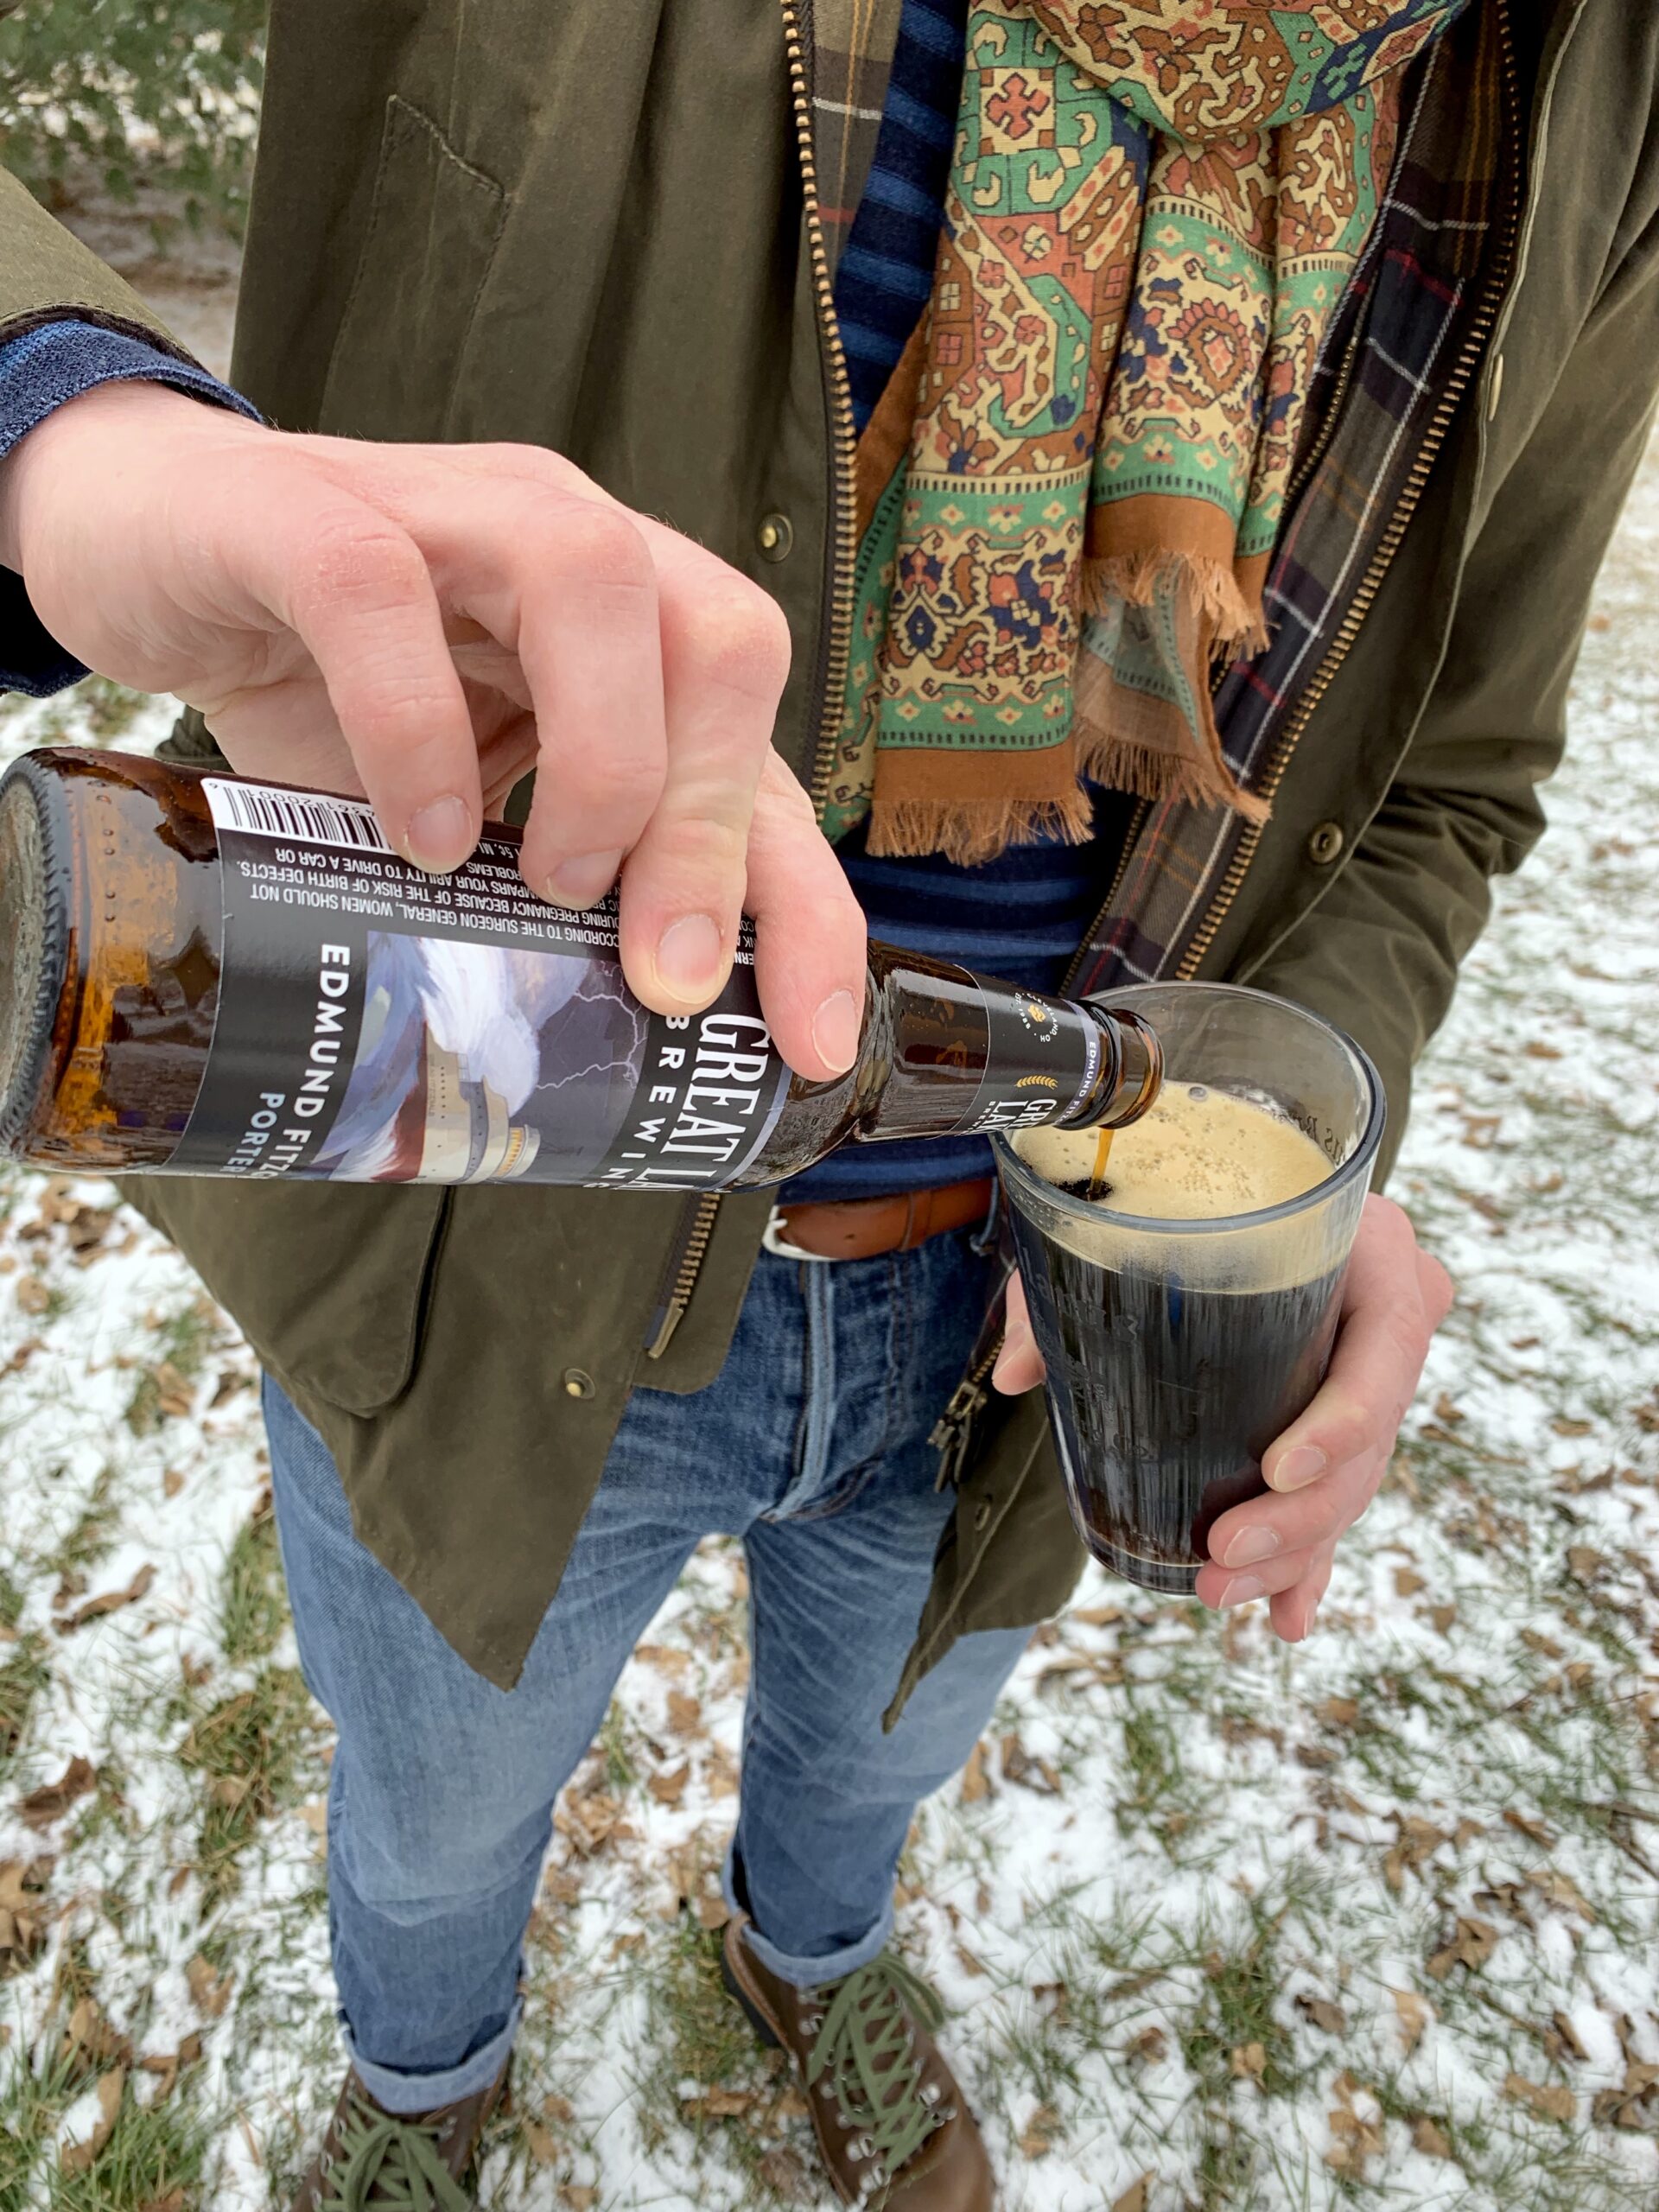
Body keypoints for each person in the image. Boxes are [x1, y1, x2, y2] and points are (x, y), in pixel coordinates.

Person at [0, 2, 1653, 2203]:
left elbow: (1452, 774)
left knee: (875, 1771)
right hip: (487, 1239)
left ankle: (808, 1956)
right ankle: (423, 2091)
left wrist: (1300, 1129)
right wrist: (68, 420)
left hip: (1030, 1330)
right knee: (432, 1823)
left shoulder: (1599, 75)